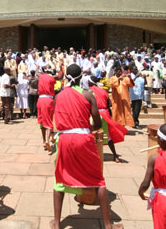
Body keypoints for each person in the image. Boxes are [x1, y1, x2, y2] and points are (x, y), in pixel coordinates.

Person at [51, 64, 123, 229]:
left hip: (64, 139)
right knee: (98, 180)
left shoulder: (58, 96)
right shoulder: (88, 95)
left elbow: (58, 120)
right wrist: (85, 128)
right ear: (80, 77)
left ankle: (56, 223)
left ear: (66, 76)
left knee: (60, 178)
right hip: (84, 138)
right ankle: (107, 224)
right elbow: (98, 122)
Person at [89, 76, 127, 162]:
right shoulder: (103, 91)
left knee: (92, 135)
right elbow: (109, 103)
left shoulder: (90, 91)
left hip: (95, 114)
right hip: (105, 114)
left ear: (90, 82)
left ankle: (91, 155)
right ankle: (115, 155)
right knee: (108, 136)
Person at [36, 67, 56, 152]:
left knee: (42, 121)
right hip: (48, 100)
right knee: (48, 121)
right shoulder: (51, 78)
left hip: (40, 100)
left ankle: (44, 141)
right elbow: (58, 77)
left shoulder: (40, 77)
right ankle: (47, 141)